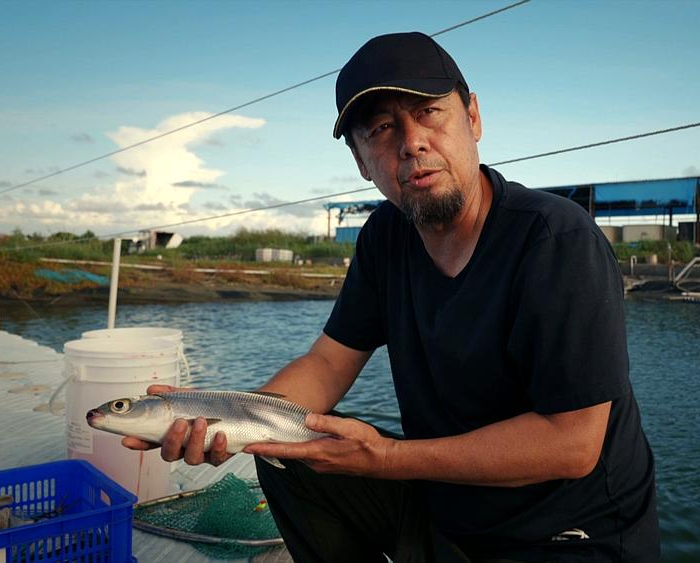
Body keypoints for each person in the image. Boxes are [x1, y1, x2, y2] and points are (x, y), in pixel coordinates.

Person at [125, 31, 659, 562]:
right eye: (381, 128)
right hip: (446, 507)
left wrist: (387, 458)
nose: (411, 142)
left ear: (473, 118)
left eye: (429, 112)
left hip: (566, 536)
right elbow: (327, 363)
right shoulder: (385, 237)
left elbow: (572, 444)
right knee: (288, 453)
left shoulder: (555, 241)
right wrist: (221, 418)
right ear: (362, 162)